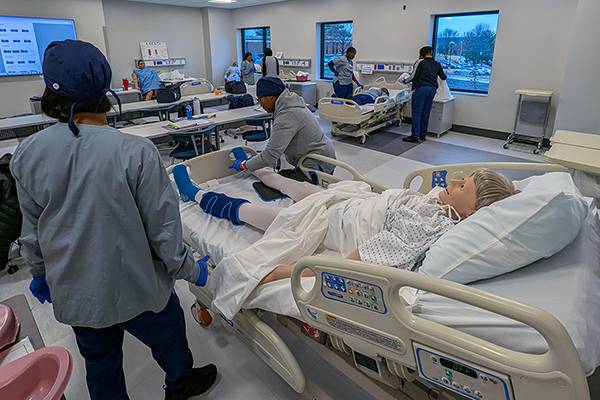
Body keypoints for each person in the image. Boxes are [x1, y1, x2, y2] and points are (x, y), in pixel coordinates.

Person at [10, 40, 217, 400]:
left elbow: (31, 231)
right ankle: (181, 384)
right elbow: (163, 230)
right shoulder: (134, 151)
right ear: (105, 92)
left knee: (101, 367)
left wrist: (40, 273)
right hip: (139, 286)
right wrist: (190, 269)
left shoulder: (28, 154)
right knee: (170, 340)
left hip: (78, 292)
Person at [172, 164, 518, 288]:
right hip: (348, 204)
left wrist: (283, 273)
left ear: (471, 212)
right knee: (301, 189)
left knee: (253, 213)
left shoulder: (427, 229)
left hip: (331, 225)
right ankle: (256, 169)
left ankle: (195, 196)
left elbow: (355, 263)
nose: (454, 181)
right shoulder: (439, 205)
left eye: (463, 187)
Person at [229, 76, 336, 176]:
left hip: (317, 164)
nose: (261, 105)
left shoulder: (288, 114)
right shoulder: (289, 104)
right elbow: (279, 140)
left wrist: (244, 165)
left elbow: (270, 157)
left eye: (260, 100)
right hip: (317, 156)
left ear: (270, 97)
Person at [402, 46, 447, 143]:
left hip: (422, 89)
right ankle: (423, 134)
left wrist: (405, 81)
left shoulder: (420, 62)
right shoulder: (437, 64)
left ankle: (415, 136)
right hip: (432, 90)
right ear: (431, 53)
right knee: (426, 112)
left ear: (422, 53)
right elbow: (443, 77)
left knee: (416, 113)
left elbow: (413, 76)